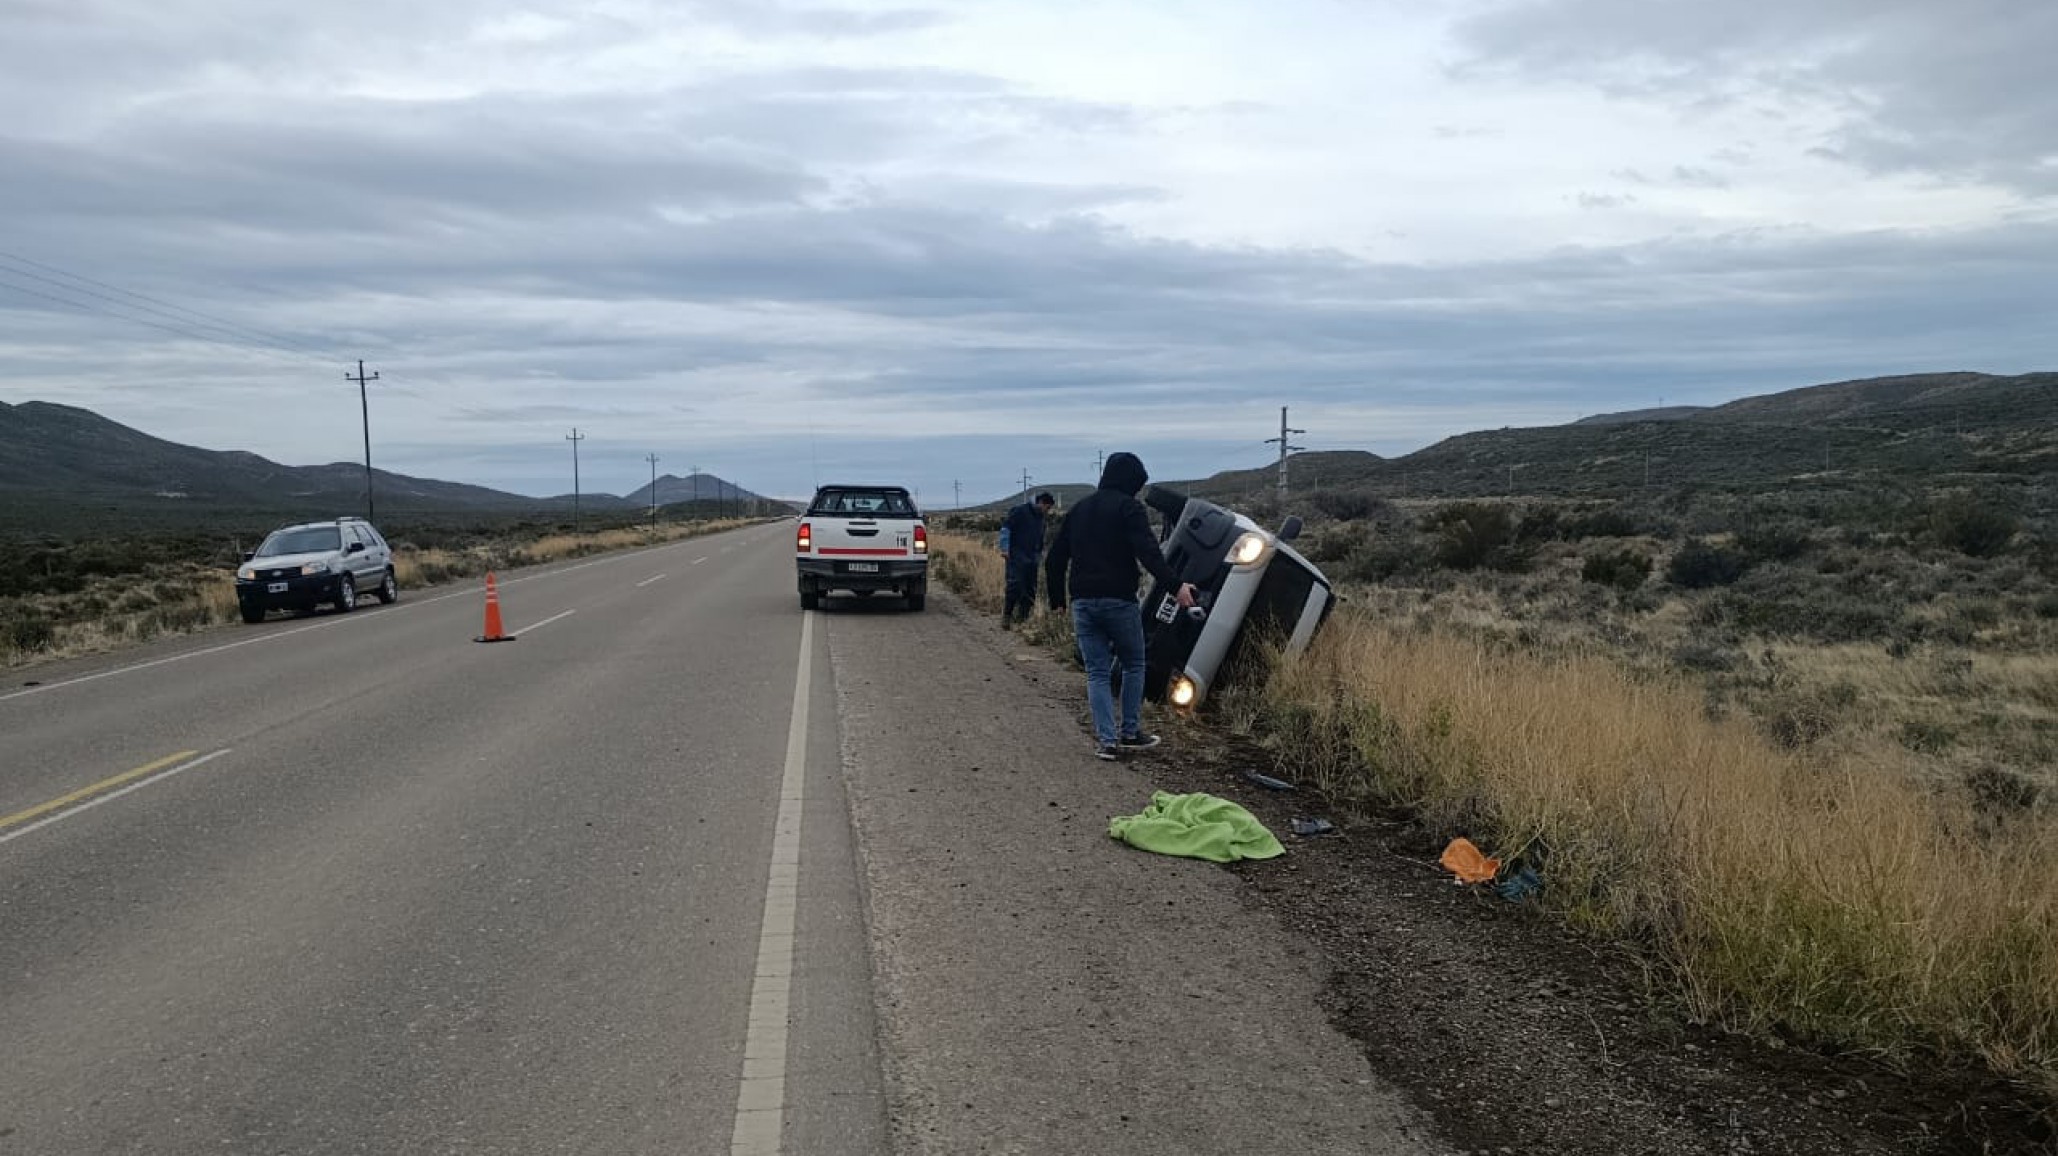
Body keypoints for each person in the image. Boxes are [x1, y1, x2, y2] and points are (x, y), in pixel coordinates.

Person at [1044, 453, 1195, 760]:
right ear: (1130, 481)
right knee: (1133, 664)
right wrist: (1177, 586)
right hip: (1118, 601)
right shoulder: (1129, 508)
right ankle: (1130, 731)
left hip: (1083, 603)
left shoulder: (1080, 509)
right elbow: (1149, 553)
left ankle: (1107, 742)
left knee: (1097, 672)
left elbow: (1054, 559)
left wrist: (1057, 600)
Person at [1000, 491, 1056, 625]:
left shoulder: (1041, 518)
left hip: (1032, 558)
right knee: (1014, 585)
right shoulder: (1020, 511)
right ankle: (1007, 617)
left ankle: (1022, 619)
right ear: (1041, 502)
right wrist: (1004, 548)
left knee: (1030, 588)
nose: (1047, 511)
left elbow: (1041, 537)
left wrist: (1041, 554)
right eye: (1047, 508)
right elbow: (1006, 528)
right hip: (1016, 556)